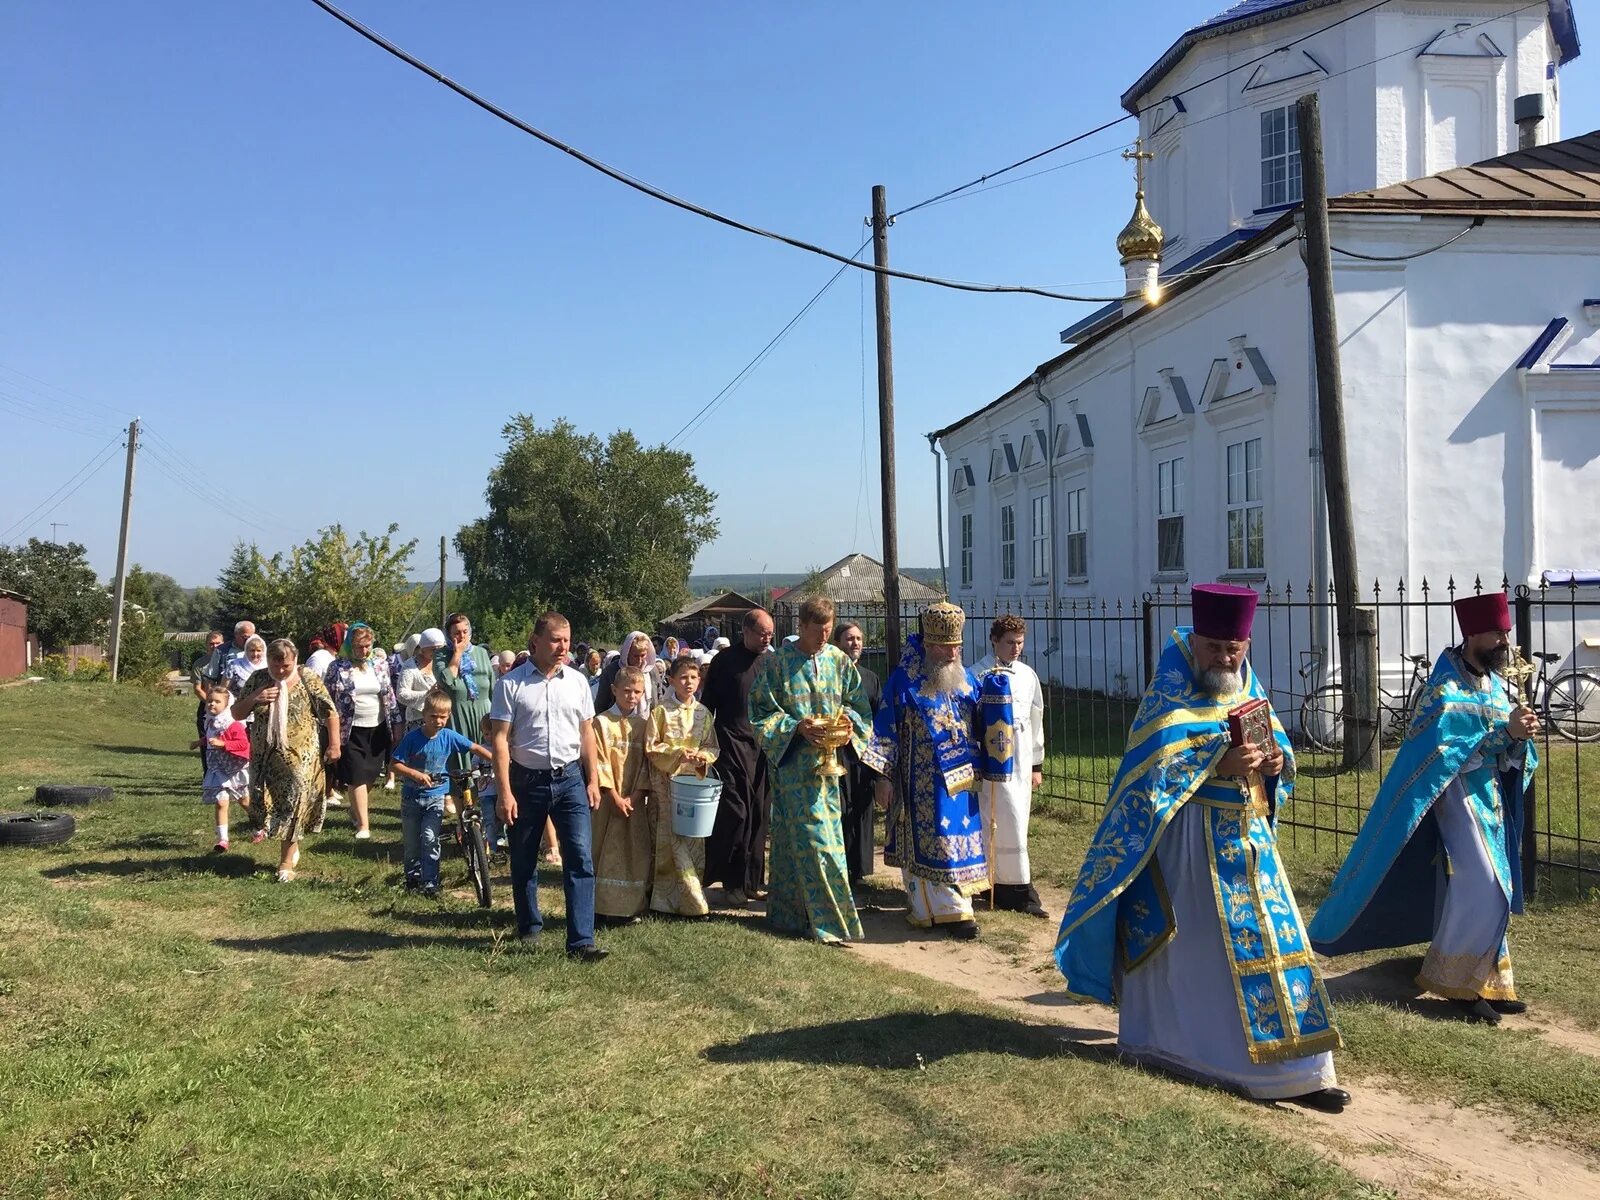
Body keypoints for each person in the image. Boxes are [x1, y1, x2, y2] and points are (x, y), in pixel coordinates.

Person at [1055, 584, 1347, 1112]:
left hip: (1248, 839)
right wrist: (1216, 763)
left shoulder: (1244, 679)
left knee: (1273, 941)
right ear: (1196, 640)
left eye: (1235, 648)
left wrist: (1277, 764)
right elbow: (1154, 762)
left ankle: (1300, 1068)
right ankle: (1169, 1046)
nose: (1225, 658)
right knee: (1189, 954)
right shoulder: (1170, 684)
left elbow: (1273, 738)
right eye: (1215, 647)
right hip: (1186, 847)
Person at [1309, 592, 1541, 1025]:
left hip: (1488, 798)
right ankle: (1454, 980)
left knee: (1499, 883)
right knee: (1484, 880)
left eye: (1506, 633)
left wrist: (1518, 737)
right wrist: (1501, 734)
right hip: (1452, 797)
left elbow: (1506, 752)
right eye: (1498, 633)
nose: (1504, 642)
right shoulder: (1444, 688)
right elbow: (1443, 753)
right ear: (1473, 633)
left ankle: (1486, 979)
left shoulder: (1492, 684)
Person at [864, 602, 994, 940]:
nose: (952, 653)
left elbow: (983, 724)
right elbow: (884, 730)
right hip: (919, 784)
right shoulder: (903, 681)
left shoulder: (966, 682)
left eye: (957, 646)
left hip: (962, 782)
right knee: (933, 840)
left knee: (958, 839)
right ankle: (945, 910)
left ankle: (947, 906)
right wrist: (882, 777)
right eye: (944, 647)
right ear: (928, 645)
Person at [750, 598, 873, 942]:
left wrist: (849, 723)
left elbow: (858, 704)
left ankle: (788, 916)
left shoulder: (838, 661)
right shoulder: (778, 665)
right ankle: (830, 925)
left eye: (828, 630)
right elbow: (760, 712)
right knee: (817, 842)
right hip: (793, 768)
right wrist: (796, 727)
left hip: (830, 769)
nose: (823, 637)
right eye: (817, 630)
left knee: (794, 843)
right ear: (801, 627)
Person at [488, 612, 607, 962]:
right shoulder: (510, 685)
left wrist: (593, 779)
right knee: (524, 860)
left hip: (570, 780)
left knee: (580, 857)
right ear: (536, 641)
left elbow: (587, 733)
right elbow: (499, 740)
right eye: (556, 640)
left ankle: (581, 941)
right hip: (527, 780)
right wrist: (505, 791)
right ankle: (530, 927)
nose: (563, 647)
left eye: (567, 640)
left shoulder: (577, 682)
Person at [234, 639, 340, 883]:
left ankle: (285, 861)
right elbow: (237, 713)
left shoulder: (307, 677)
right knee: (268, 805)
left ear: (295, 660)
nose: (281, 671)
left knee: (293, 803)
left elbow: (330, 711)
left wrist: (334, 744)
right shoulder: (259, 679)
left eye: (286, 665)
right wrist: (256, 698)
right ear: (268, 661)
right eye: (276, 665)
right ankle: (292, 847)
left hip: (300, 755)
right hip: (265, 755)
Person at [972, 614, 1048, 917]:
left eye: (1020, 642)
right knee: (996, 819)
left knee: (1018, 818)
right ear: (994, 640)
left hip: (1021, 759)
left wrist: (1036, 764)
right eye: (1009, 642)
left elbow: (1036, 718)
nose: (1015, 648)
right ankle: (1006, 886)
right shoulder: (977, 674)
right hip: (992, 761)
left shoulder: (1027, 675)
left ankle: (1010, 882)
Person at [700, 608, 776, 903]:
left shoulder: (771, 662)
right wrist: (707, 745)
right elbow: (707, 707)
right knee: (736, 813)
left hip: (762, 749)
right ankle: (730, 881)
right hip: (730, 745)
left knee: (759, 814)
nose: (766, 639)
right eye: (761, 634)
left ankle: (752, 881)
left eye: (770, 634)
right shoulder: (724, 661)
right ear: (745, 631)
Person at [391, 689, 492, 897]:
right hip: (412, 797)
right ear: (424, 715)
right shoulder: (412, 738)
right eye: (433, 716)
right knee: (412, 843)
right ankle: (412, 878)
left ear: (448, 716)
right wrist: (414, 774)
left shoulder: (448, 736)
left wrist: (495, 760)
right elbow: (394, 765)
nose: (438, 721)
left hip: (435, 797)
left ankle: (430, 882)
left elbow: (473, 747)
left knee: (430, 838)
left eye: (442, 717)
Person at [646, 655, 720, 918]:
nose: (689, 683)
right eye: (683, 678)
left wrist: (703, 757)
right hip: (667, 787)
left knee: (693, 841)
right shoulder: (661, 711)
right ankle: (669, 902)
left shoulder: (703, 713)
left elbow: (712, 746)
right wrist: (678, 754)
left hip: (694, 788)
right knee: (669, 842)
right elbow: (652, 747)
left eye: (693, 677)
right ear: (672, 680)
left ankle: (691, 895)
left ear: (699, 680)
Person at [591, 666, 654, 923]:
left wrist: (635, 796)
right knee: (604, 848)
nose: (631, 696)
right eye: (626, 690)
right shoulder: (601, 722)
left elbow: (646, 765)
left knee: (634, 850)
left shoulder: (643, 725)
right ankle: (601, 907)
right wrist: (614, 796)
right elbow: (599, 761)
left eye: (637, 692)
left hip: (634, 801)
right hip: (608, 801)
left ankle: (630, 906)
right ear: (614, 690)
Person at [324, 622, 397, 840]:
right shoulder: (337, 667)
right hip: (350, 729)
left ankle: (355, 808)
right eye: (359, 646)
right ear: (350, 645)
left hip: (378, 727)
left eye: (367, 646)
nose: (364, 651)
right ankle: (363, 825)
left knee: (371, 775)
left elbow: (389, 696)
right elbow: (327, 700)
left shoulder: (381, 665)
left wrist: (397, 725)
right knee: (356, 776)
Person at [831, 621, 882, 885]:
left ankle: (859, 870)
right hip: (834, 753)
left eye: (859, 638)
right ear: (837, 642)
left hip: (862, 754)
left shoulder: (870, 678)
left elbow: (878, 716)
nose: (856, 643)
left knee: (860, 808)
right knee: (837, 808)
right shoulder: (830, 674)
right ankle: (838, 867)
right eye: (850, 639)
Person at [434, 611, 496, 781]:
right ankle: (462, 801)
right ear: (449, 635)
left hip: (483, 714)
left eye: (465, 631)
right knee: (461, 766)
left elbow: (492, 686)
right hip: (457, 716)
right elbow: (446, 680)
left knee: (485, 764)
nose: (462, 636)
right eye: (456, 633)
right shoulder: (441, 655)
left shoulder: (482, 653)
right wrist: (457, 654)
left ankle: (484, 800)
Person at [193, 682, 250, 853]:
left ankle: (259, 825)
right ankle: (223, 839)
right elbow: (211, 738)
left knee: (244, 800)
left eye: (217, 701)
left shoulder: (232, 723)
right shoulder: (210, 723)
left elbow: (243, 743)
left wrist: (223, 744)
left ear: (227, 705)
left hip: (233, 767)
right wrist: (199, 742)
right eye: (209, 701)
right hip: (217, 767)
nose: (212, 704)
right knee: (220, 801)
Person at [593, 631, 658, 717]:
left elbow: (657, 699)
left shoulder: (652, 671)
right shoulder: (611, 671)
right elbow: (601, 704)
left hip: (645, 723)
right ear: (627, 653)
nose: (639, 661)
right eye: (635, 656)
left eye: (642, 656)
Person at [191, 630, 226, 778]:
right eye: (211, 644)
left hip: (227, 709)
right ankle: (208, 775)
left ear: (223, 644)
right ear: (206, 645)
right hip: (206, 707)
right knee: (206, 741)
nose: (215, 646)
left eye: (218, 643)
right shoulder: (200, 664)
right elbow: (198, 689)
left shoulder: (227, 662)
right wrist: (212, 704)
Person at [398, 628, 445, 733]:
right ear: (423, 648)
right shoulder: (410, 666)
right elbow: (401, 695)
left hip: (444, 720)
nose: (437, 652)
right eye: (433, 649)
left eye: (440, 648)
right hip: (419, 723)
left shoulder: (444, 662)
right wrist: (428, 693)